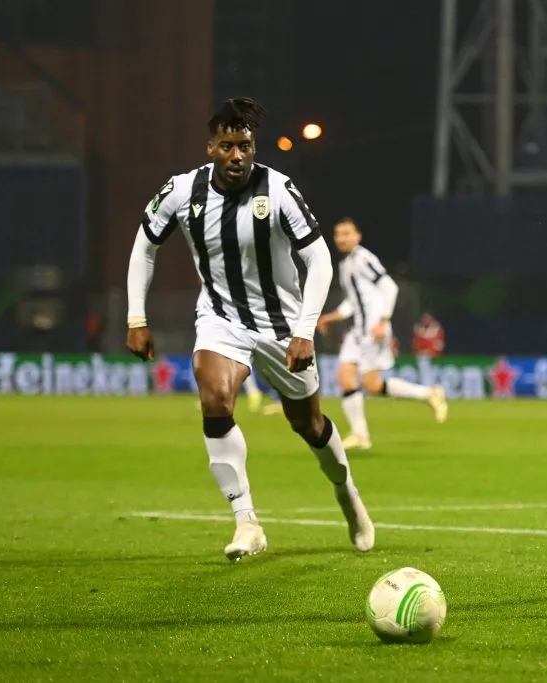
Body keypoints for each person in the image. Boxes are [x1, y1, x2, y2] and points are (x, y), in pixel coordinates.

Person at [126, 97, 374, 560]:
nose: (237, 155)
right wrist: (136, 318)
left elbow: (318, 258)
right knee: (215, 399)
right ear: (211, 148)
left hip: (282, 326)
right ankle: (247, 521)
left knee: (309, 423)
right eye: (227, 146)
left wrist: (304, 330)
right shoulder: (182, 192)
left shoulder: (278, 189)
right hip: (221, 318)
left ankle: (347, 493)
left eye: (245, 145)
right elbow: (144, 246)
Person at [317, 219, 447, 450]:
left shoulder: (364, 259)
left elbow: (390, 286)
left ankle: (428, 393)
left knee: (372, 385)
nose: (341, 238)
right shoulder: (347, 263)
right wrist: (332, 317)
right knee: (346, 377)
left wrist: (383, 321)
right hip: (358, 329)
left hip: (373, 329)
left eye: (347, 233)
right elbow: (354, 301)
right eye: (338, 234)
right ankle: (360, 435)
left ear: (358, 236)